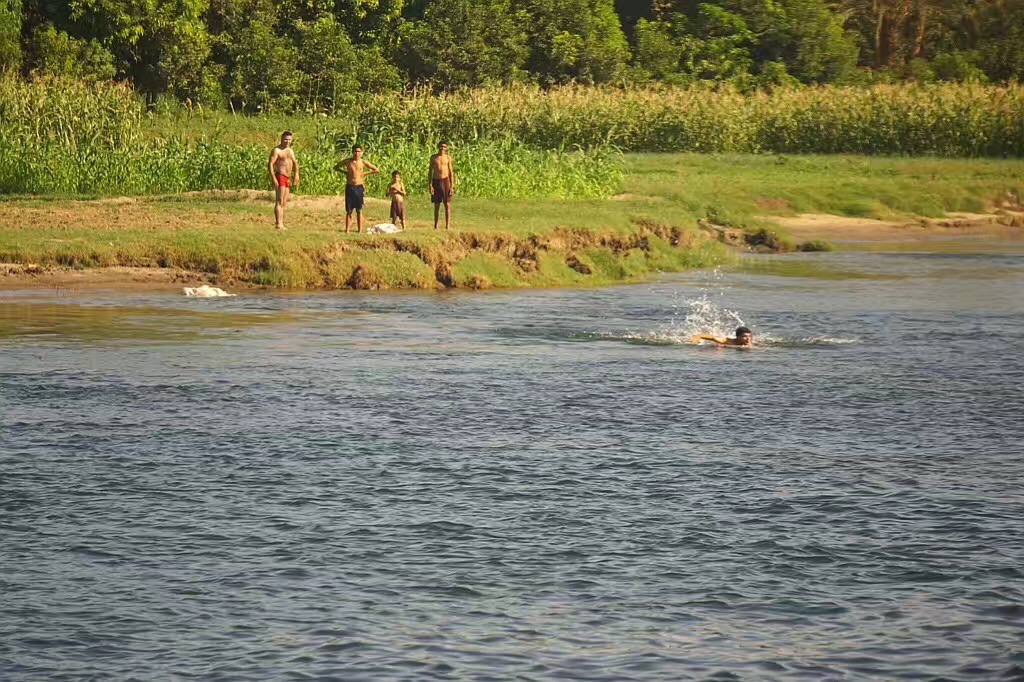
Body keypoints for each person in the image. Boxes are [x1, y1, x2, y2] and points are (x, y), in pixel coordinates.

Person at [340, 144, 380, 234]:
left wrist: (365, 173)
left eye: (358, 151)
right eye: (355, 151)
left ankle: (359, 230)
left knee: (359, 210)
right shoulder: (348, 161)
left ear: (361, 153)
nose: (356, 153)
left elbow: (376, 169)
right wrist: (345, 172)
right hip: (350, 186)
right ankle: (347, 230)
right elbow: (336, 167)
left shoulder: (363, 162)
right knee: (349, 211)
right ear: (352, 152)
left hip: (359, 187)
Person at [268, 131, 299, 231]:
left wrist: (296, 174)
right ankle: (278, 224)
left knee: (284, 202)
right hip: (280, 175)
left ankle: (281, 223)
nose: (287, 141)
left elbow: (295, 163)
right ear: (281, 139)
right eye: (286, 139)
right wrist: (273, 177)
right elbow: (270, 164)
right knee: (279, 200)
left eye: (289, 139)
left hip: (287, 177)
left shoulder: (290, 151)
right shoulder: (277, 150)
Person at [428, 141, 455, 230]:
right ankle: (436, 225)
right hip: (436, 181)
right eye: (441, 146)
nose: (442, 148)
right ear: (438, 147)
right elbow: (430, 172)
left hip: (445, 181)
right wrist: (430, 184)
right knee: (437, 204)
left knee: (447, 204)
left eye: (444, 147)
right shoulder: (433, 157)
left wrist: (452, 186)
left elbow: (451, 172)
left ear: (446, 148)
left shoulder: (448, 158)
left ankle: (447, 225)